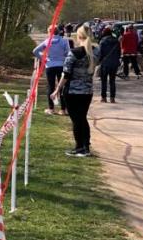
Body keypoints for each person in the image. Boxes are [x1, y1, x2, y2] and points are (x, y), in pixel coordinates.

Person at [51, 23, 94, 156]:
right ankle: (86, 146)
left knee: (76, 120)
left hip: (73, 92)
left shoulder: (74, 53)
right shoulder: (94, 53)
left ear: (78, 37)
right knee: (82, 118)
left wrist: (57, 89)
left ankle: (79, 146)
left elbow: (66, 74)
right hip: (87, 91)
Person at [32, 26, 70, 115]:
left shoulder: (47, 41)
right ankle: (63, 109)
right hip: (61, 65)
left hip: (50, 65)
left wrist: (43, 59)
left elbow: (35, 51)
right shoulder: (64, 41)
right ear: (58, 32)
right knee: (62, 87)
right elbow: (68, 53)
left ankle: (51, 108)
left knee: (50, 86)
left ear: (49, 32)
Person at [96, 26, 121, 103]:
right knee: (112, 81)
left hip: (105, 63)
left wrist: (99, 61)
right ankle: (112, 98)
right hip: (114, 63)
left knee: (104, 81)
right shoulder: (116, 41)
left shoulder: (102, 41)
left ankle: (104, 97)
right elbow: (119, 53)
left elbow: (100, 53)